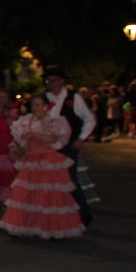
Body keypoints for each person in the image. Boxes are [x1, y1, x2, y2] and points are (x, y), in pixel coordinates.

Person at [0, 93, 85, 239]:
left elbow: (53, 139)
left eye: (38, 105)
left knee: (48, 196)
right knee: (28, 195)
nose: (35, 108)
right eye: (33, 105)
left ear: (45, 106)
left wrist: (34, 135)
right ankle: (29, 226)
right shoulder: (26, 121)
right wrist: (13, 147)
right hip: (31, 160)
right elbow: (19, 140)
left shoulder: (53, 121)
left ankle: (51, 228)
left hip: (47, 160)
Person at [43, 66, 96, 225]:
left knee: (69, 179)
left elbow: (89, 119)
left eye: (54, 81)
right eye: (48, 81)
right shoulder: (44, 98)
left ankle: (83, 213)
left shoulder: (74, 98)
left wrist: (81, 138)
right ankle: (58, 215)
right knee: (50, 181)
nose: (51, 84)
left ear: (62, 81)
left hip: (67, 145)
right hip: (48, 145)